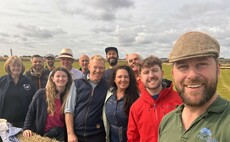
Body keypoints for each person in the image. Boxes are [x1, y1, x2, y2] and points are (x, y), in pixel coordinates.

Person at [159, 31, 230, 142]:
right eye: (183, 66)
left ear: (218, 69)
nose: (192, 75)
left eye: (202, 64)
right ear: (173, 74)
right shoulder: (167, 122)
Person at [127, 55, 182, 142]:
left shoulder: (180, 100)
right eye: (146, 72)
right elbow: (133, 138)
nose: (151, 75)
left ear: (162, 73)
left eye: (155, 70)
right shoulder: (135, 108)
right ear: (140, 78)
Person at [65, 55, 109, 142]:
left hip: (97, 135)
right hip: (77, 134)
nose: (98, 70)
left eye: (101, 68)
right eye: (95, 67)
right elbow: (69, 110)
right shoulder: (77, 84)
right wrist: (70, 134)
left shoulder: (107, 86)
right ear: (89, 67)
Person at [23, 67, 72, 141]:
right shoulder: (41, 94)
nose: (61, 79)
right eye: (58, 76)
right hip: (42, 133)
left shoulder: (70, 96)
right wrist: (26, 128)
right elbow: (31, 112)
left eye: (64, 76)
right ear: (52, 78)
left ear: (68, 79)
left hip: (62, 134)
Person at [102, 65, 139, 142]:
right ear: (114, 79)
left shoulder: (137, 97)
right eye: (119, 77)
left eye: (126, 77)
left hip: (129, 138)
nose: (123, 80)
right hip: (111, 138)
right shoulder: (109, 94)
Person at [0, 56, 36, 128]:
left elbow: (34, 101)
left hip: (23, 122)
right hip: (5, 122)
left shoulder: (29, 82)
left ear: (22, 67)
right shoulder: (2, 81)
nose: (16, 68)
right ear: (8, 66)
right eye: (13, 65)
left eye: (19, 65)